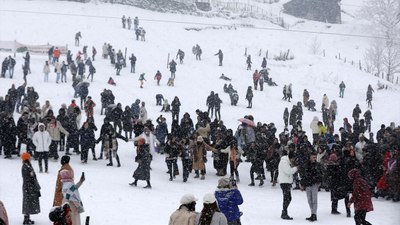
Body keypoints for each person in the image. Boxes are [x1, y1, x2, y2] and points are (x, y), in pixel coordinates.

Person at [299, 151, 323, 222]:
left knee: (314, 200)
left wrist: (319, 181)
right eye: (313, 157)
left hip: (314, 184)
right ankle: (312, 213)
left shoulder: (318, 165)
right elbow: (303, 175)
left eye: (315, 157)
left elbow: (321, 174)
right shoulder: (306, 165)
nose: (314, 158)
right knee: (309, 200)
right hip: (307, 184)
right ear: (310, 157)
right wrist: (302, 184)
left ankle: (314, 214)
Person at [21, 152, 41, 225]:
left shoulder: (27, 166)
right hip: (28, 187)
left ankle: (27, 218)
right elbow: (28, 178)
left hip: (29, 187)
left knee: (28, 203)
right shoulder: (25, 167)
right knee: (27, 203)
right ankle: (26, 219)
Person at [277, 150, 298, 220]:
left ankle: (284, 212)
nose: (294, 160)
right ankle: (284, 212)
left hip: (286, 182)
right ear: (290, 157)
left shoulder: (287, 162)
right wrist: (296, 168)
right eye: (293, 158)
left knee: (287, 198)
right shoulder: (284, 162)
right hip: (284, 182)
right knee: (287, 198)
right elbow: (288, 171)